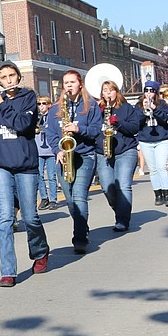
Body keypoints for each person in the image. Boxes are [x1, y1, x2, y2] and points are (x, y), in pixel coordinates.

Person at [0, 61, 50, 287]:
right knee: (6, 218)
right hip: (1, 164)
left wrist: (1, 104)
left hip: (25, 163)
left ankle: (40, 251)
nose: (8, 79)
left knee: (30, 216)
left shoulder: (28, 98)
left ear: (18, 77)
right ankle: (8, 270)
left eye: (12, 75)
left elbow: (22, 125)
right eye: (3, 77)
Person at [47, 70, 102, 254]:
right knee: (70, 201)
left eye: (72, 82)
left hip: (85, 156)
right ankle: (82, 225)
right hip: (64, 158)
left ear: (80, 84)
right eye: (66, 83)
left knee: (79, 197)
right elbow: (51, 134)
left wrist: (79, 129)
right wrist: (57, 150)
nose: (69, 85)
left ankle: (79, 238)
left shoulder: (91, 106)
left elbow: (96, 131)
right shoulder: (56, 109)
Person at [95, 79, 143, 232]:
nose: (108, 93)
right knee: (107, 187)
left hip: (125, 150)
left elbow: (135, 127)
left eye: (111, 90)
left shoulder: (127, 108)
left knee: (123, 185)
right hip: (103, 151)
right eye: (105, 90)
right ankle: (120, 210)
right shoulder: (97, 110)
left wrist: (118, 124)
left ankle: (122, 219)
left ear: (117, 91)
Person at [136, 80, 168, 207]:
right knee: (153, 169)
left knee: (162, 167)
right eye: (146, 90)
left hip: (162, 140)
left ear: (155, 92)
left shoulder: (162, 105)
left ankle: (167, 194)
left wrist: (154, 109)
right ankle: (158, 195)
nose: (149, 93)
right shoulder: (138, 105)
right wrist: (144, 110)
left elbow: (165, 119)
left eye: (152, 91)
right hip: (146, 141)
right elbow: (137, 122)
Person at [35, 95, 60, 210]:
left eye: (44, 103)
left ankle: (53, 199)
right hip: (39, 151)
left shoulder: (53, 117)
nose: (41, 106)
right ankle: (44, 198)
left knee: (51, 176)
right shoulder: (36, 118)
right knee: (39, 175)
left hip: (51, 151)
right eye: (39, 104)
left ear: (49, 105)